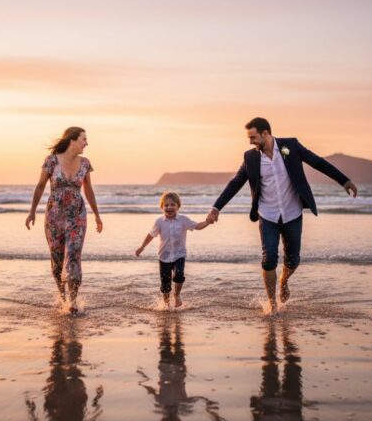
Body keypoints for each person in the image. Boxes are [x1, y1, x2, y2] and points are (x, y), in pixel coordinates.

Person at [207, 117, 357, 313]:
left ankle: (284, 280)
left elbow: (317, 162)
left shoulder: (291, 146)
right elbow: (235, 183)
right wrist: (216, 208)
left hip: (292, 213)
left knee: (293, 260)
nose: (250, 142)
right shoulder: (250, 157)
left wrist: (344, 181)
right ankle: (272, 303)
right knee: (268, 258)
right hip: (267, 214)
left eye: (253, 137)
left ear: (265, 133)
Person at [26, 127, 103, 314]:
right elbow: (40, 187)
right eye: (84, 139)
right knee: (58, 259)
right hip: (54, 216)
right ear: (72, 140)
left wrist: (97, 215)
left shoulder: (85, 163)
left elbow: (89, 190)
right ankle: (62, 298)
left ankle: (73, 302)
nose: (87, 143)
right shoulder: (51, 160)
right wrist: (32, 211)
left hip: (77, 214)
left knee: (74, 254)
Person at [136, 192, 211, 308]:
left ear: (178, 206)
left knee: (179, 275)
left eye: (172, 204)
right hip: (164, 257)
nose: (169, 207)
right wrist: (142, 247)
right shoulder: (159, 222)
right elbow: (151, 235)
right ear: (162, 207)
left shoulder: (183, 220)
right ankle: (166, 305)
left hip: (179, 255)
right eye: (166, 205)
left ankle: (177, 294)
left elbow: (197, 226)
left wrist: (207, 222)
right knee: (165, 285)